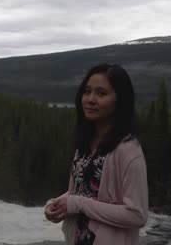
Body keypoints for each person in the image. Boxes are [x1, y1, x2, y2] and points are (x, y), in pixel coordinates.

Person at [44, 63, 148, 245]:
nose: (90, 99)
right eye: (87, 91)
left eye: (101, 93)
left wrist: (76, 203)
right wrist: (57, 204)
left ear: (120, 100)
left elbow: (137, 215)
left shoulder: (128, 150)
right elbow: (83, 191)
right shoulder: (85, 144)